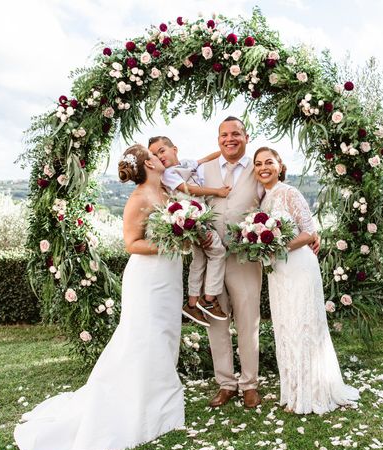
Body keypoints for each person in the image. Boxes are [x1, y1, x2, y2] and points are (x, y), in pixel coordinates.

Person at [14, 144, 184, 450]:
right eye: (154, 155)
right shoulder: (138, 199)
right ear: (147, 164)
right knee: (142, 338)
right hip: (148, 279)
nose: (161, 158)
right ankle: (137, 405)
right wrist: (170, 241)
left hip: (169, 277)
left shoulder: (166, 193)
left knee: (164, 336)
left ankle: (160, 404)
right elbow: (132, 244)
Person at [253, 146, 360, 415]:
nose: (263, 167)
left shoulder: (290, 193)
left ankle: (313, 393)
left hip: (299, 267)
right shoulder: (263, 202)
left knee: (304, 325)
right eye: (258, 164)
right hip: (278, 273)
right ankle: (294, 391)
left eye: (269, 162)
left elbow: (309, 233)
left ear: (280, 165)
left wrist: (276, 248)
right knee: (286, 327)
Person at [202, 116, 264, 408]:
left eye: (236, 133)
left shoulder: (260, 168)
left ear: (246, 137)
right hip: (211, 258)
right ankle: (226, 383)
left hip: (245, 258)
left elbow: (274, 204)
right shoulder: (204, 170)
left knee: (248, 320)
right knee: (216, 321)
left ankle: (249, 383)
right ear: (218, 140)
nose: (230, 139)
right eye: (224, 134)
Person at [148, 136, 230, 327]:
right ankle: (208, 300)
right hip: (193, 219)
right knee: (218, 252)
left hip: (196, 217)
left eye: (161, 151)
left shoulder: (186, 163)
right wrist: (217, 191)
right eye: (153, 154)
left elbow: (206, 159)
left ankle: (192, 304)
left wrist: (224, 152)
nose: (159, 156)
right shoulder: (167, 173)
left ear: (174, 149)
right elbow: (187, 189)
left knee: (200, 258)